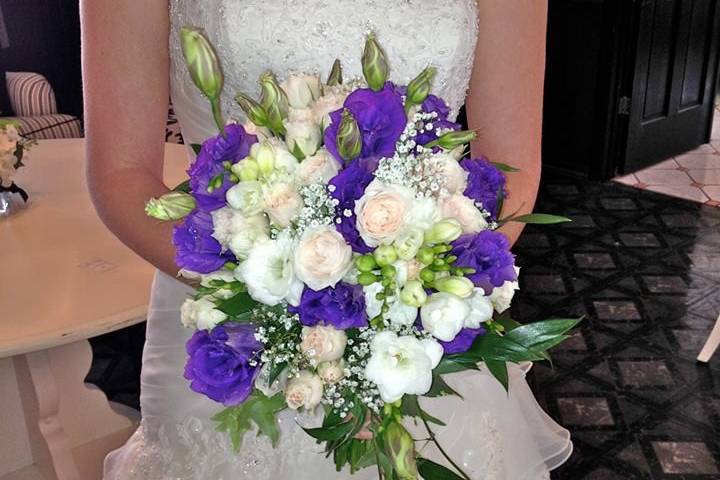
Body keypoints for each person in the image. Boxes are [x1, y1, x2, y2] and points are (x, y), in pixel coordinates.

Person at [82, 1, 571, 478]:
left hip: (419, 317)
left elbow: (513, 165)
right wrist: (269, 298)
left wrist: (414, 292)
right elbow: (120, 175)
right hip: (227, 313)